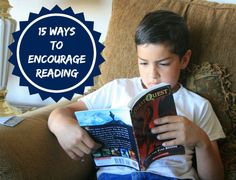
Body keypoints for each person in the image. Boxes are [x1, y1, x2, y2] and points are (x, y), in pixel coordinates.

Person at [48, 10, 225, 180]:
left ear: (184, 60)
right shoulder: (117, 88)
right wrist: (60, 125)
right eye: (144, 63)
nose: (152, 74)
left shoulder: (198, 105)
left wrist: (201, 140)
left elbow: (215, 177)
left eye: (163, 64)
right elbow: (64, 112)